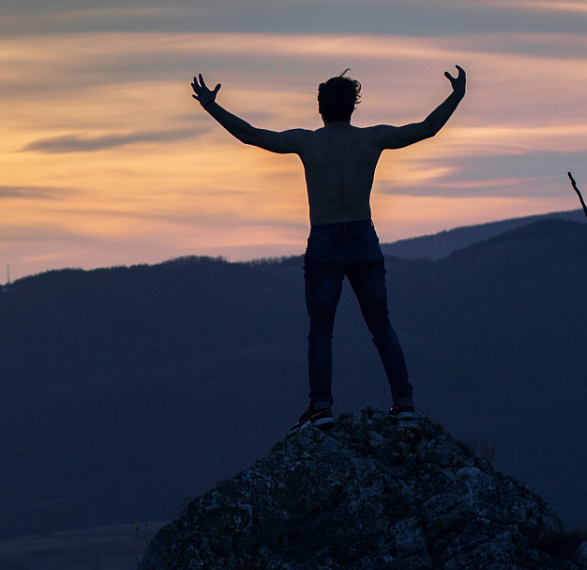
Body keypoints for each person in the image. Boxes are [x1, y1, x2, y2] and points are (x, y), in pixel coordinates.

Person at [190, 66, 466, 432]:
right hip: (363, 237)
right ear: (353, 106)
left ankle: (321, 409)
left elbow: (251, 135)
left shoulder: (308, 142)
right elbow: (427, 128)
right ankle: (404, 403)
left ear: (321, 107)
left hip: (324, 239)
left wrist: (211, 106)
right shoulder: (371, 139)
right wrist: (457, 95)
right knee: (381, 327)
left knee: (321, 331)